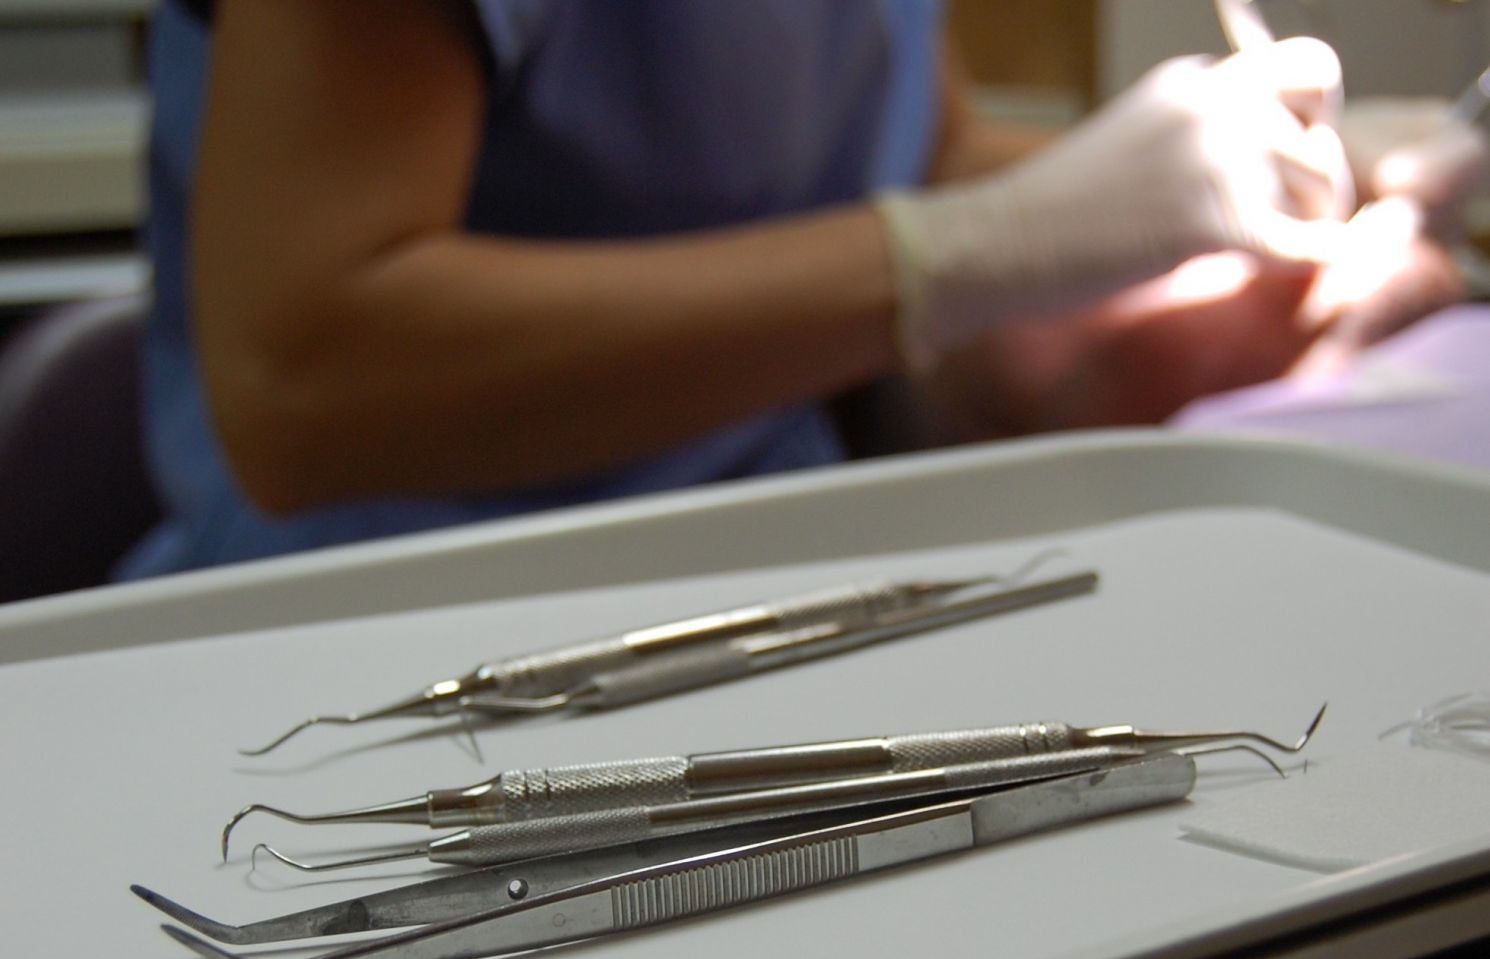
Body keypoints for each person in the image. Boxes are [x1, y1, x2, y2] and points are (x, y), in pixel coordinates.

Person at [118, 0, 1483, 579]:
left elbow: (905, 161)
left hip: (784, 563)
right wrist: (979, 248)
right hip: (385, 627)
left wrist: (1217, 208)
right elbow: (301, 384)